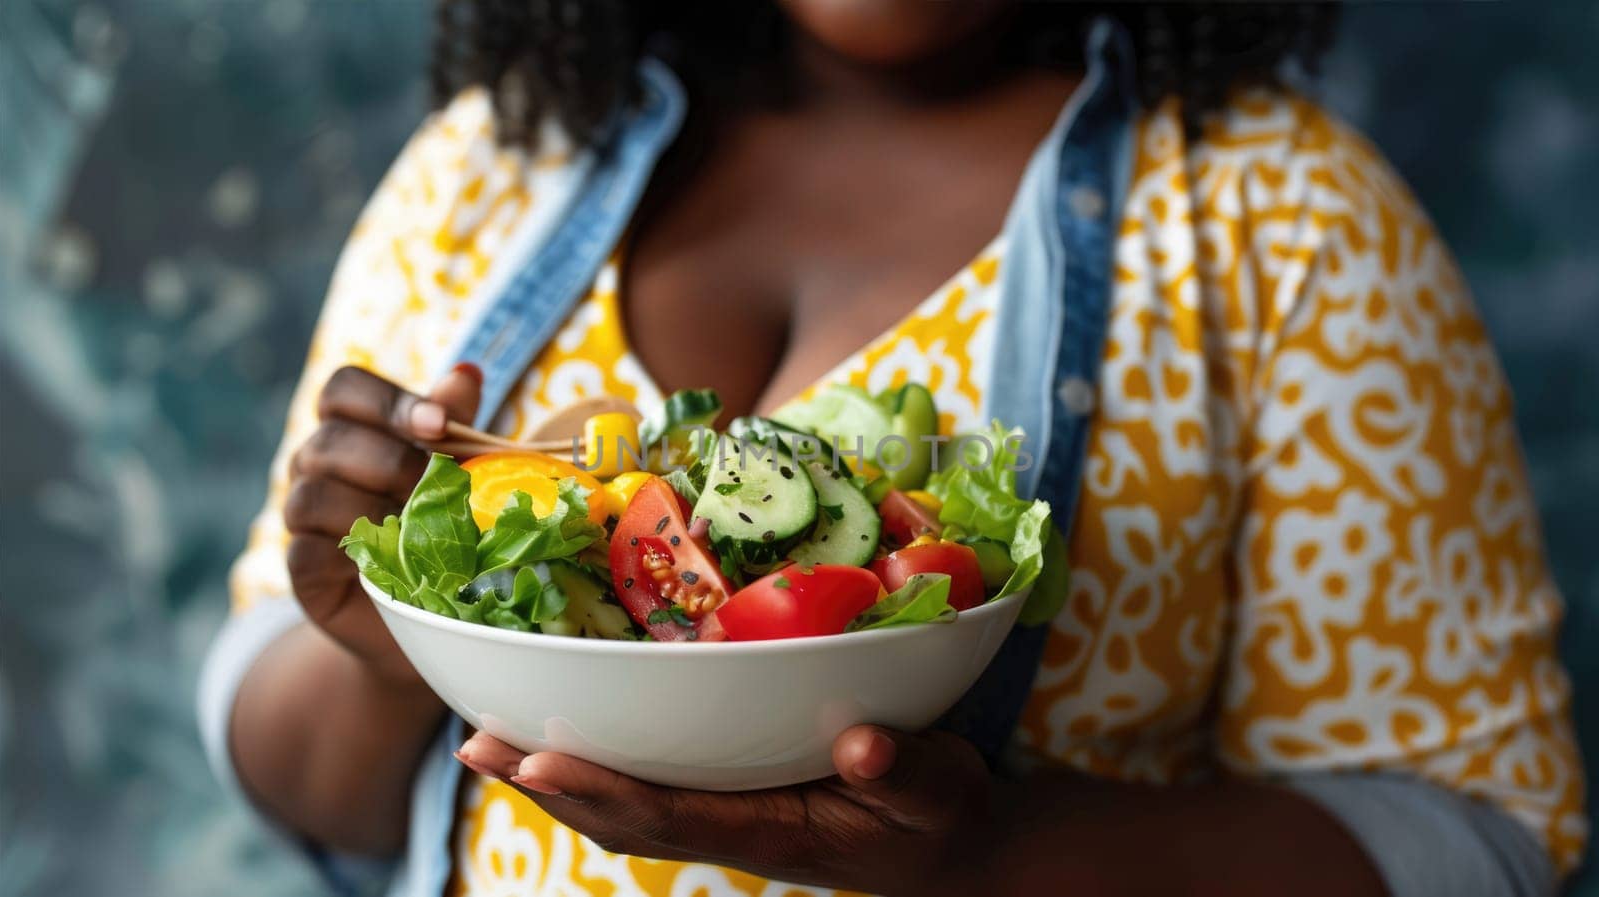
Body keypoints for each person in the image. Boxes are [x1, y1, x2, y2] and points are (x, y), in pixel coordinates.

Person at [199, 2, 1585, 895]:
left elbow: (1479, 840)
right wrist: (380, 647)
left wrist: (993, 851)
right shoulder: (490, 171)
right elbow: (303, 772)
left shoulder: (1285, 219)